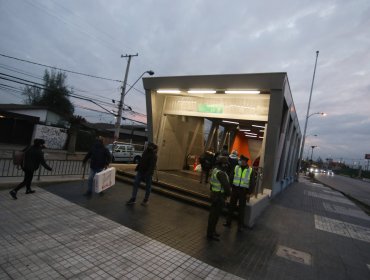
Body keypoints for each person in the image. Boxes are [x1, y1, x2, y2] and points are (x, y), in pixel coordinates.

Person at [224, 155, 255, 232]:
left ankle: (240, 225)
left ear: (245, 161)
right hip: (235, 189)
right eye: (240, 160)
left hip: (243, 191)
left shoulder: (250, 170)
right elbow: (231, 177)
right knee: (231, 206)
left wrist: (249, 192)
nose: (240, 161)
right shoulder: (236, 167)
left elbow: (252, 182)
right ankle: (228, 222)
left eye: (241, 160)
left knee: (241, 209)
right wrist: (230, 187)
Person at [206, 156, 231, 241]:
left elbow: (212, 184)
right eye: (225, 164)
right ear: (222, 164)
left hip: (214, 195)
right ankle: (210, 234)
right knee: (214, 216)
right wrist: (228, 194)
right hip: (219, 196)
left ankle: (212, 231)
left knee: (214, 215)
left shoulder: (215, 170)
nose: (226, 165)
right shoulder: (221, 173)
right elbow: (226, 186)